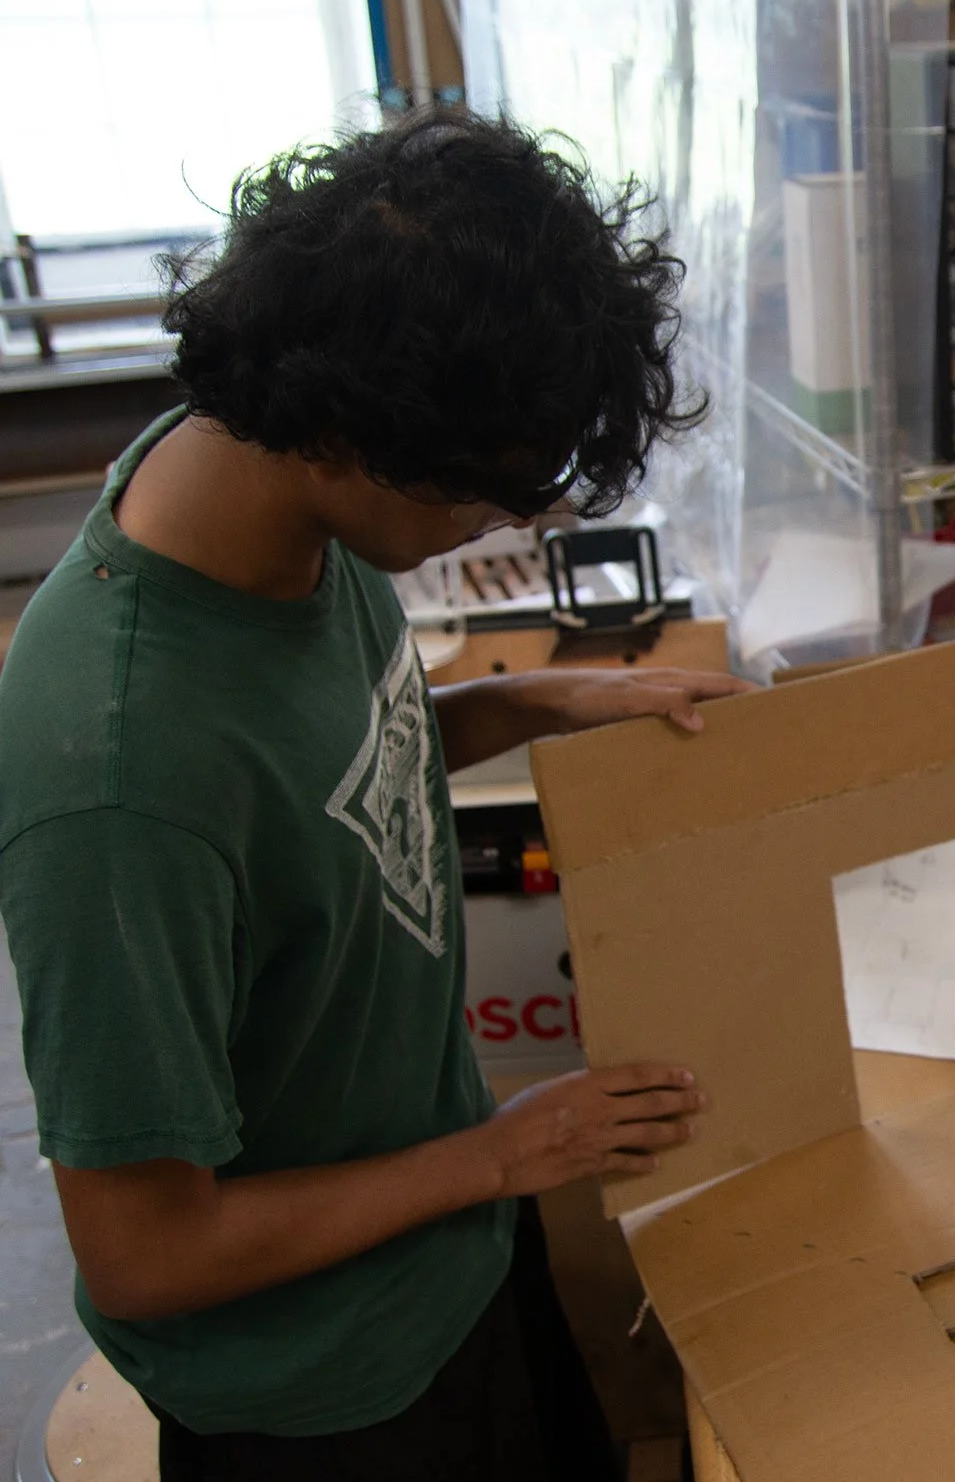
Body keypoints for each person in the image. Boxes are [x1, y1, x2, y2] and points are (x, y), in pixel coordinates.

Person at [0, 112, 756, 1480]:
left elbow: (316, 783)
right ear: (351, 436)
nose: (514, 522)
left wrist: (532, 703)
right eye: (494, 490)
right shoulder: (113, 783)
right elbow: (144, 1250)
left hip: (449, 1254)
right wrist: (496, 1156)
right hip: (322, 1400)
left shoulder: (274, 488)